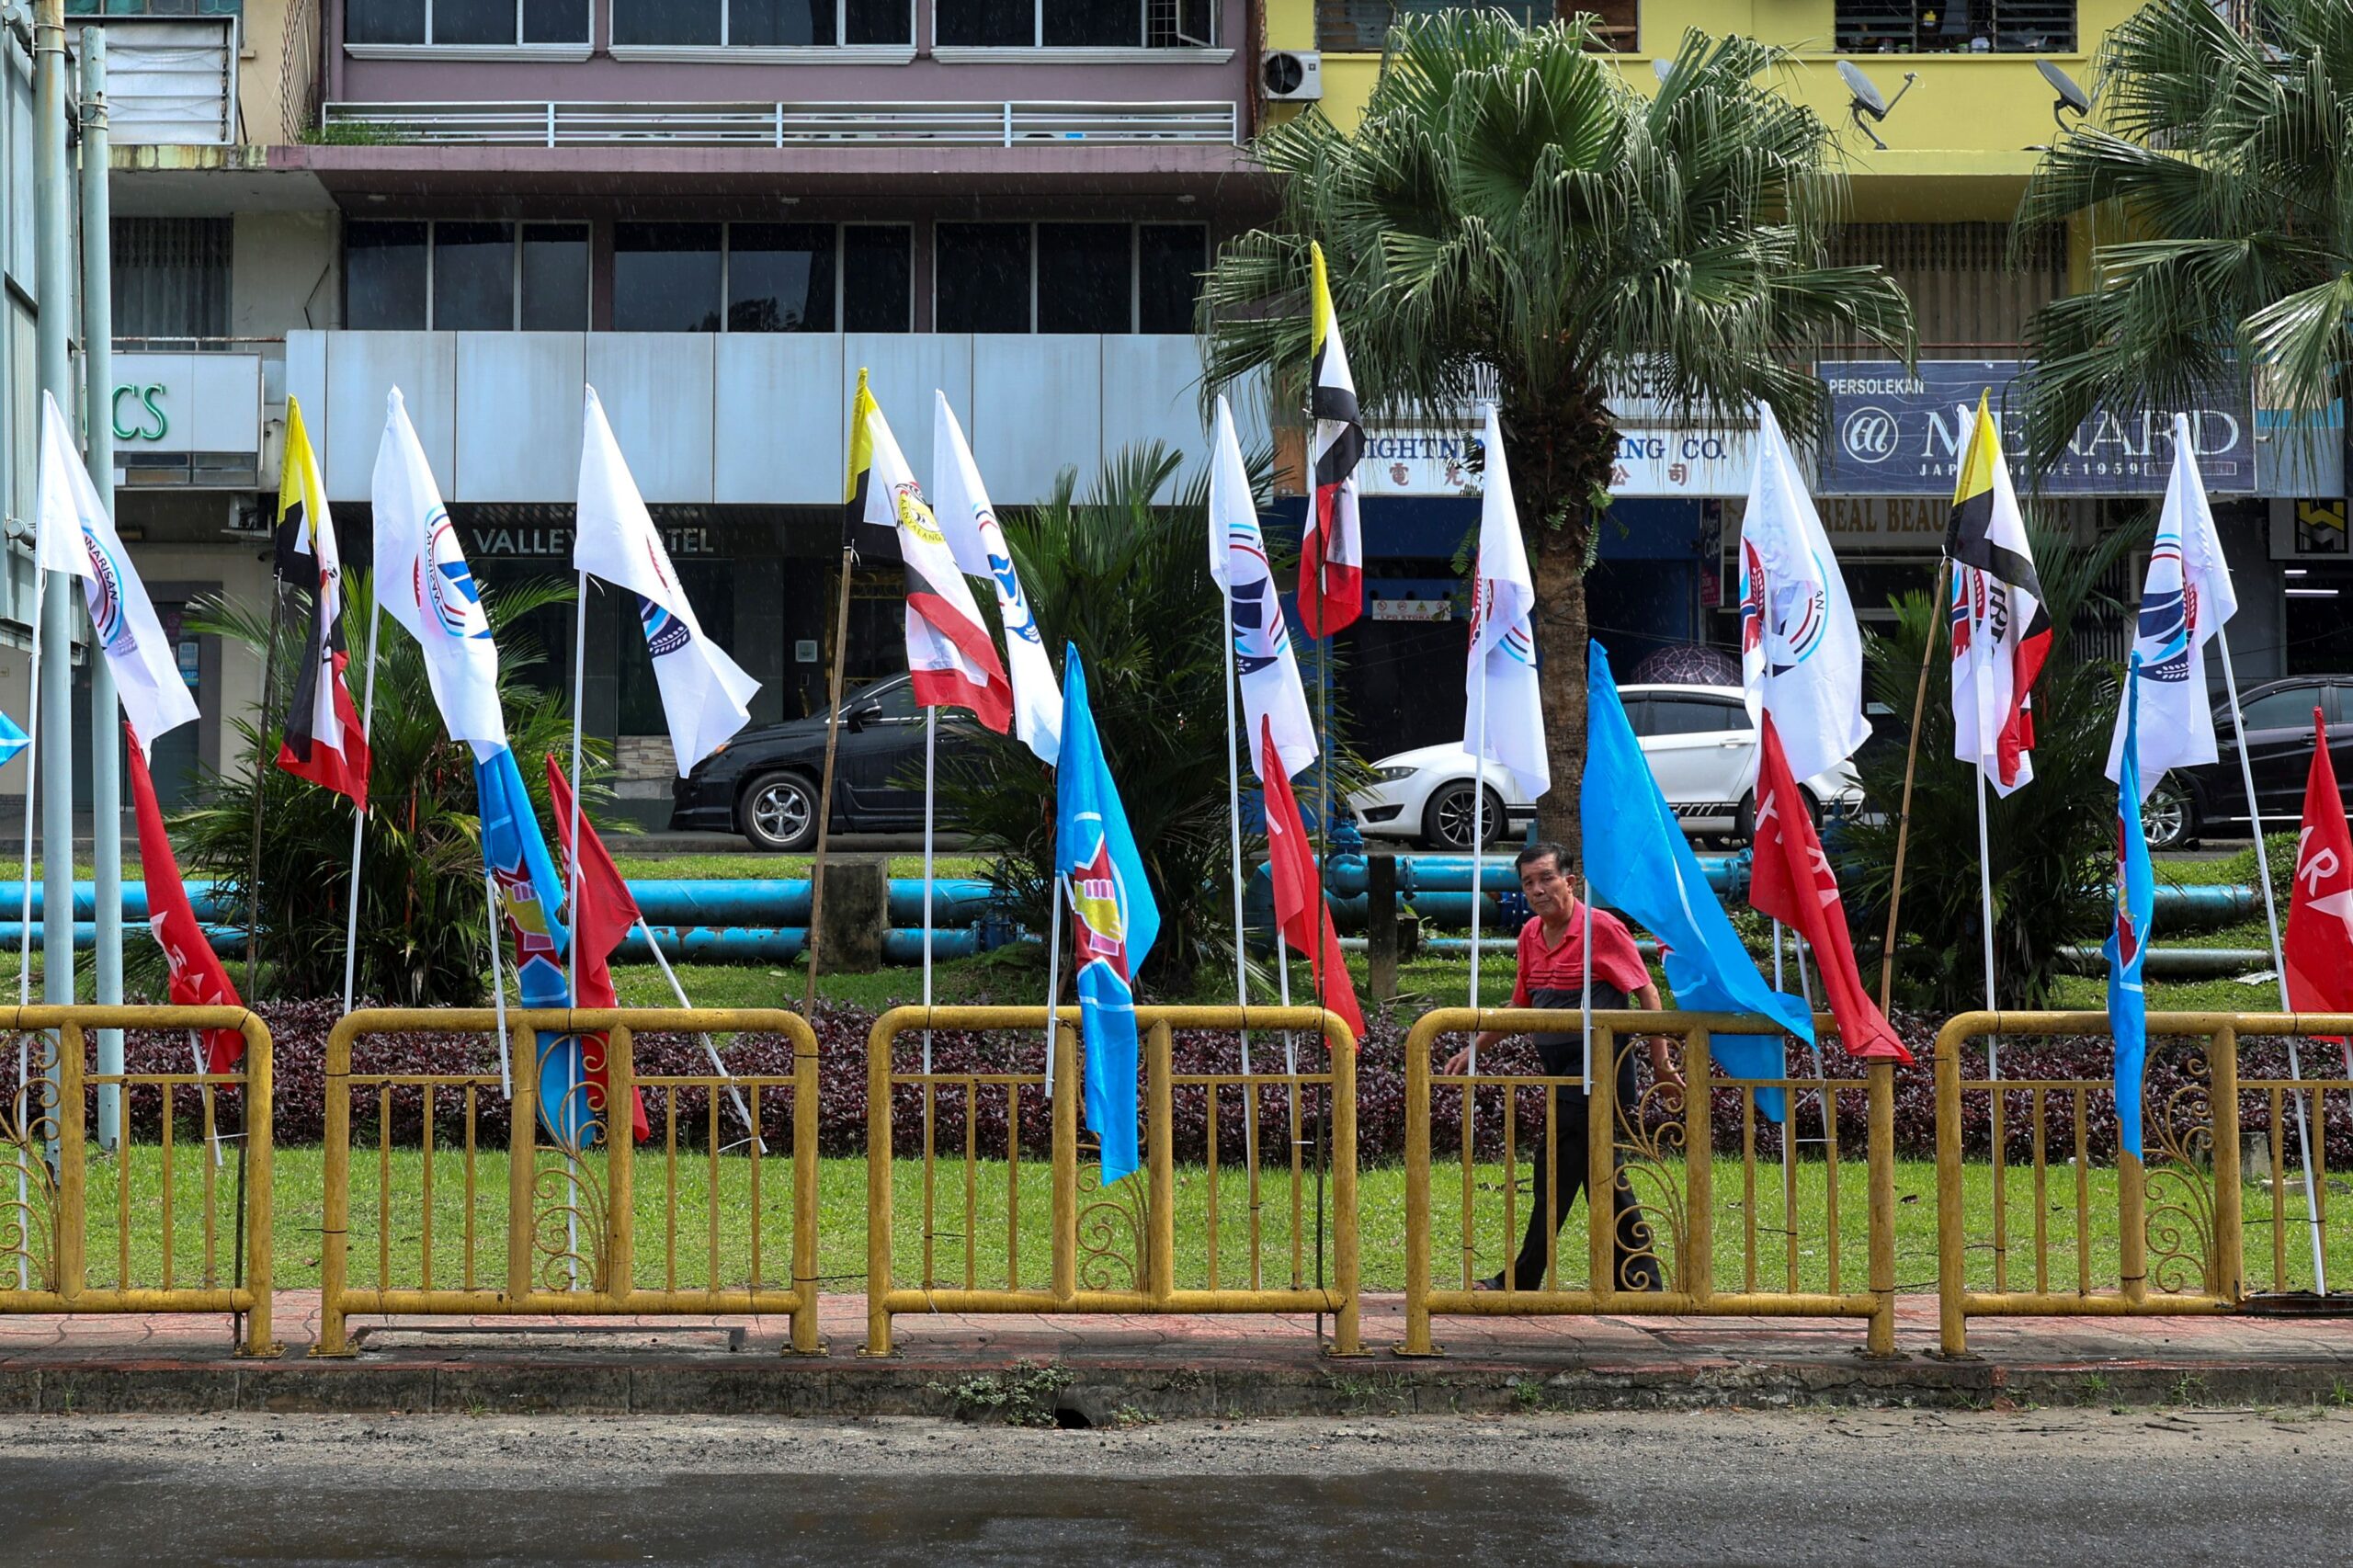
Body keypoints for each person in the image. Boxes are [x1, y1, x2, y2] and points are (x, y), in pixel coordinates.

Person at [1441, 841, 1681, 1293]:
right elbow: (1522, 1004)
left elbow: (1647, 994)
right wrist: (1476, 1047)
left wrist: (1661, 1065)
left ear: (1570, 882)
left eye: (1546, 878)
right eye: (1528, 882)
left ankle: (1535, 1277)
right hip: (1562, 1073)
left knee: (1562, 1172)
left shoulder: (1602, 929)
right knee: (1596, 1177)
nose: (1537, 889)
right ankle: (1638, 1281)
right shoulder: (1530, 935)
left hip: (1601, 1069)